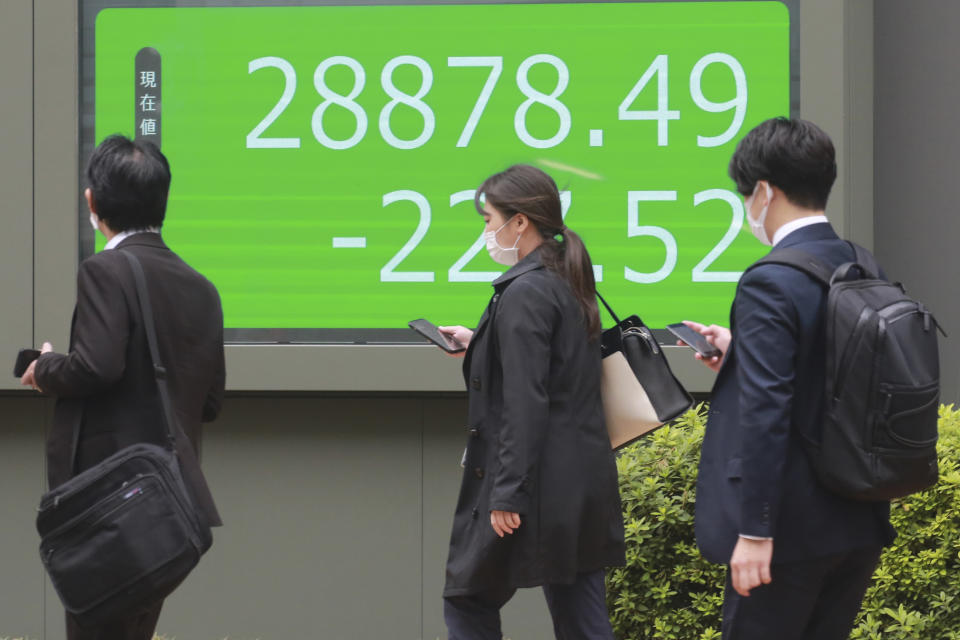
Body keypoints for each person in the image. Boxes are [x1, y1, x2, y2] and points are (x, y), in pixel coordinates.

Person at [684, 118, 895, 640]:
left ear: (763, 191)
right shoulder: (860, 263)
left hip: (786, 534)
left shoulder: (769, 281)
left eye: (744, 193)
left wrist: (755, 530)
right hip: (856, 521)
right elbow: (835, 369)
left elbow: (766, 413)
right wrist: (742, 352)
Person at [20, 135, 225, 640]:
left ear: (93, 202)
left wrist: (44, 369)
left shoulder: (104, 270)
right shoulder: (201, 287)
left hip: (106, 501)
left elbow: (96, 366)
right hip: (167, 503)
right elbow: (212, 402)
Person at [438, 164, 625, 640]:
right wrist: (481, 340)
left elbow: (526, 399)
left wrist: (507, 493)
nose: (485, 231)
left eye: (488, 219)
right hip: (580, 483)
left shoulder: (523, 292)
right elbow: (554, 370)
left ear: (519, 222)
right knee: (582, 615)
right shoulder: (566, 278)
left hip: (533, 489)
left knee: (467, 598)